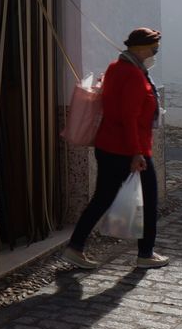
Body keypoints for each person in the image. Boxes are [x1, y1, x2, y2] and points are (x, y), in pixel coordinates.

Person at [62, 27, 168, 270]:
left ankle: (75, 247)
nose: (155, 53)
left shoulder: (117, 67)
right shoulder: (131, 74)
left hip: (111, 145)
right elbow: (127, 117)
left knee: (102, 198)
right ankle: (145, 253)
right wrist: (136, 153)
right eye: (154, 49)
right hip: (127, 148)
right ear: (141, 49)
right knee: (149, 199)